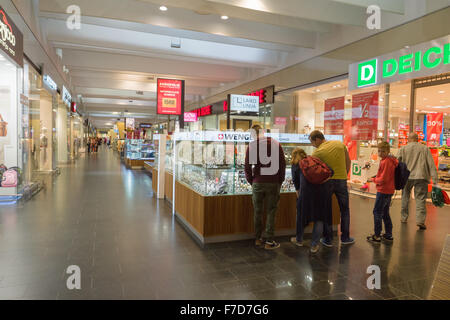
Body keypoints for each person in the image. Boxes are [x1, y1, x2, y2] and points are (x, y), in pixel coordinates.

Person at [309, 130, 355, 246]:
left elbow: (316, 171)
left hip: (327, 183)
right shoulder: (340, 144)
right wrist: (344, 175)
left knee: (326, 211)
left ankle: (328, 239)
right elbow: (348, 162)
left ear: (317, 139)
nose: (313, 145)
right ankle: (345, 238)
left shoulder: (317, 153)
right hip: (341, 181)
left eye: (312, 142)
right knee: (345, 210)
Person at [245, 124, 286, 250]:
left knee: (257, 211)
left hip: (258, 182)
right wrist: (280, 180)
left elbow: (247, 167)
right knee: (271, 211)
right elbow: (282, 165)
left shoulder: (252, 146)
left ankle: (257, 239)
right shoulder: (276, 144)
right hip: (273, 182)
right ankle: (269, 241)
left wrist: (252, 181)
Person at [290, 148, 332, 253]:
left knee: (301, 216)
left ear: (294, 156)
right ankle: (314, 245)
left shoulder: (296, 164)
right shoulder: (315, 161)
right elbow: (331, 171)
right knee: (319, 219)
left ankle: (299, 240)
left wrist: (298, 191)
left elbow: (296, 182)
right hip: (321, 194)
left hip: (306, 195)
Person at [398, 133, 439, 230]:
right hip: (421, 176)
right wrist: (435, 179)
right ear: (417, 139)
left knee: (405, 197)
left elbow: (397, 162)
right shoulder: (424, 148)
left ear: (409, 139)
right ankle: (420, 221)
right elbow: (431, 164)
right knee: (420, 198)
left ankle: (404, 218)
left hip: (406, 177)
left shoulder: (403, 149)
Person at [366, 142, 398, 243]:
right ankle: (388, 234)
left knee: (377, 212)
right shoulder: (390, 161)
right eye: (379, 151)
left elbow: (383, 179)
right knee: (385, 213)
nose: (381, 153)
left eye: (383, 151)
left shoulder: (386, 162)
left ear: (388, 151)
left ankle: (377, 235)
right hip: (389, 190)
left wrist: (373, 180)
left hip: (383, 190)